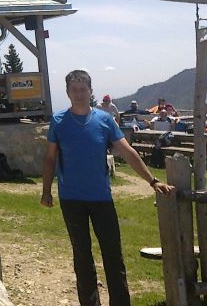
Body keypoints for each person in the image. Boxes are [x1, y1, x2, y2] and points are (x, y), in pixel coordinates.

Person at [41, 70, 174, 306]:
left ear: (91, 92)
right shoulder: (59, 121)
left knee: (113, 255)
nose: (79, 94)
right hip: (71, 198)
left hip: (101, 197)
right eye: (75, 90)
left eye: (83, 89)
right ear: (68, 93)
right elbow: (51, 158)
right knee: (82, 257)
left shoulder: (104, 120)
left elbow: (128, 152)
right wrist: (46, 190)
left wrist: (153, 181)